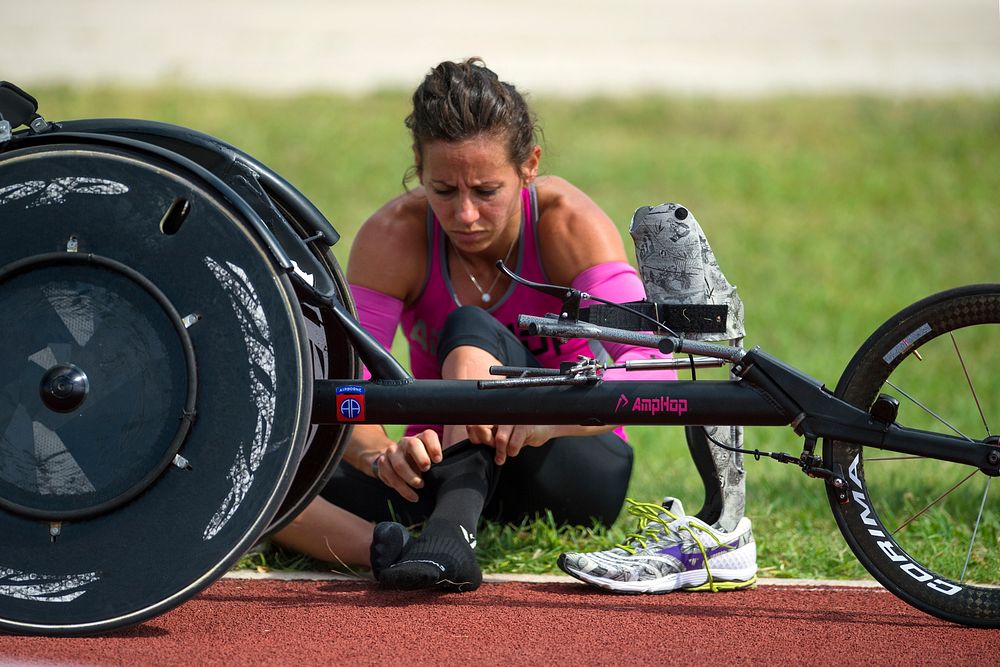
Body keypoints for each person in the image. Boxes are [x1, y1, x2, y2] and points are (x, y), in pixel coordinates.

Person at [274, 58, 756, 593]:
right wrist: (379, 453)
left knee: (471, 324)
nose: (465, 215)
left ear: (529, 165)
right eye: (443, 190)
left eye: (486, 191)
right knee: (263, 479)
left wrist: (545, 419)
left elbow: (654, 370)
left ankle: (451, 529)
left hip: (565, 463)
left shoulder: (568, 223)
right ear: (417, 164)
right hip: (441, 463)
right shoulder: (393, 236)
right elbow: (346, 387)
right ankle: (391, 549)